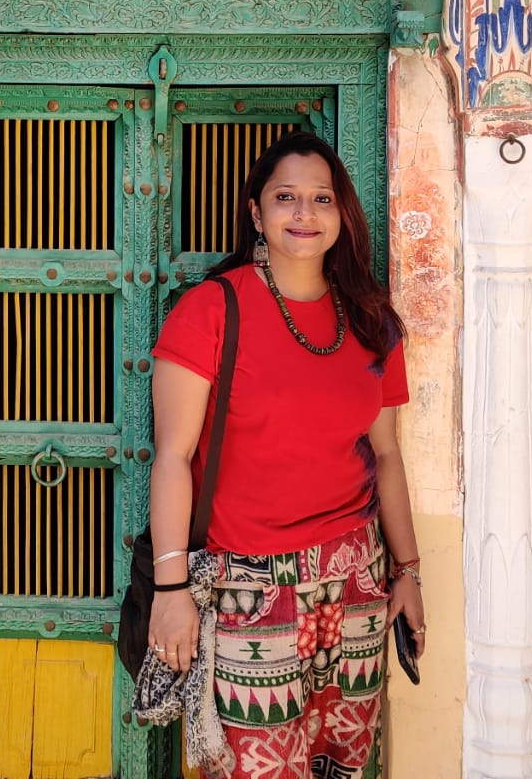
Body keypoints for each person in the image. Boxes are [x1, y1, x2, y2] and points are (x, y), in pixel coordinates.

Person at [147, 131, 424, 776]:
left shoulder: (371, 319)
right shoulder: (211, 311)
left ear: (341, 213)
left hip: (355, 586)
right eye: (286, 198)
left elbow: (385, 455)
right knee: (257, 767)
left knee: (343, 763)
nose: (305, 214)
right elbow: (171, 457)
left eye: (322, 198)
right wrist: (171, 587)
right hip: (252, 592)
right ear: (256, 212)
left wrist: (407, 571)